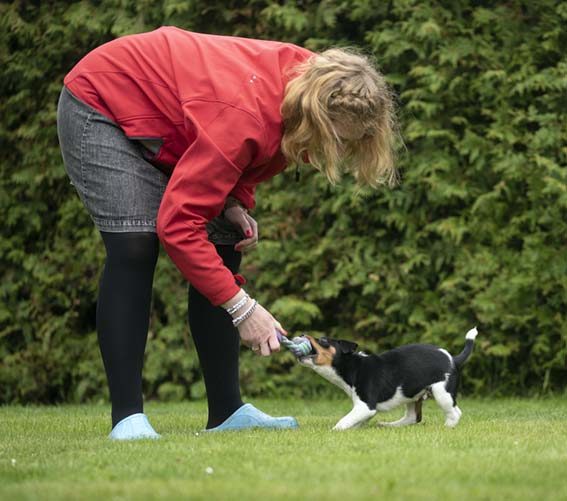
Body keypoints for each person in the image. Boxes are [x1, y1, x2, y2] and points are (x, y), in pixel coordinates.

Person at [57, 26, 397, 439]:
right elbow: (178, 224)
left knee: (225, 239)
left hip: (174, 119)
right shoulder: (249, 112)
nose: (339, 151)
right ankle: (127, 418)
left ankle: (226, 411)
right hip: (103, 101)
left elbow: (238, 152)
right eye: (337, 140)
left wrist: (233, 202)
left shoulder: (323, 84)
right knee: (135, 245)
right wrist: (243, 310)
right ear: (317, 115)